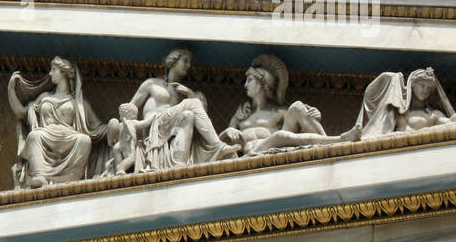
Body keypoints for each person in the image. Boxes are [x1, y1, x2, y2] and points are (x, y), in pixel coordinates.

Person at [220, 54, 361, 153]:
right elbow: (219, 144)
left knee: (298, 107)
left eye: (249, 80)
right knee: (279, 136)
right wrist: (228, 130)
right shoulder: (241, 114)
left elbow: (300, 127)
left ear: (263, 83)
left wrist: (313, 116)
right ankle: (338, 140)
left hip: (271, 151)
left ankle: (329, 146)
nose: (245, 85)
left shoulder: (279, 112)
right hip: (249, 155)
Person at [129, 47, 239, 171]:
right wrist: (124, 126)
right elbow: (131, 107)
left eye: (189, 62)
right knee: (192, 102)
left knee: (189, 115)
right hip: (152, 124)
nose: (188, 65)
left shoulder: (182, 92)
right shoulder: (151, 83)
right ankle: (217, 145)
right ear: (173, 61)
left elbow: (201, 116)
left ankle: (179, 163)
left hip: (170, 128)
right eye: (185, 61)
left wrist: (189, 93)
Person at [8, 56, 103, 187]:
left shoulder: (78, 103)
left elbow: (97, 127)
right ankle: (39, 176)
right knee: (34, 136)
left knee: (84, 140)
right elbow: (20, 113)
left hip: (69, 137)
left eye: (53, 69)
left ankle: (72, 177)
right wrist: (11, 89)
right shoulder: (44, 97)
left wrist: (116, 127)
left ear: (64, 72)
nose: (50, 73)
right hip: (46, 135)